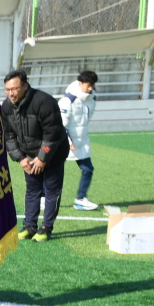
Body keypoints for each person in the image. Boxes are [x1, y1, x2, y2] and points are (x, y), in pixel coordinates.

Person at [1, 69, 68, 242]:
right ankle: (29, 226)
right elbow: (8, 135)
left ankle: (46, 228)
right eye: (7, 90)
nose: (11, 93)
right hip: (28, 156)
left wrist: (42, 158)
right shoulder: (7, 106)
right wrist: (20, 158)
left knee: (52, 191)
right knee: (32, 191)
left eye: (14, 89)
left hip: (53, 154)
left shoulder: (44, 101)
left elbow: (52, 134)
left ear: (25, 86)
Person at [59, 70, 98, 211]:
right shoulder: (67, 100)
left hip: (81, 142)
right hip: (64, 142)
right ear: (80, 83)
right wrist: (68, 141)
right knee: (54, 171)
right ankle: (44, 198)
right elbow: (60, 124)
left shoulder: (92, 98)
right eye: (88, 85)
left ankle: (80, 199)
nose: (91, 88)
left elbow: (86, 120)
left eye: (92, 85)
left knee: (88, 169)